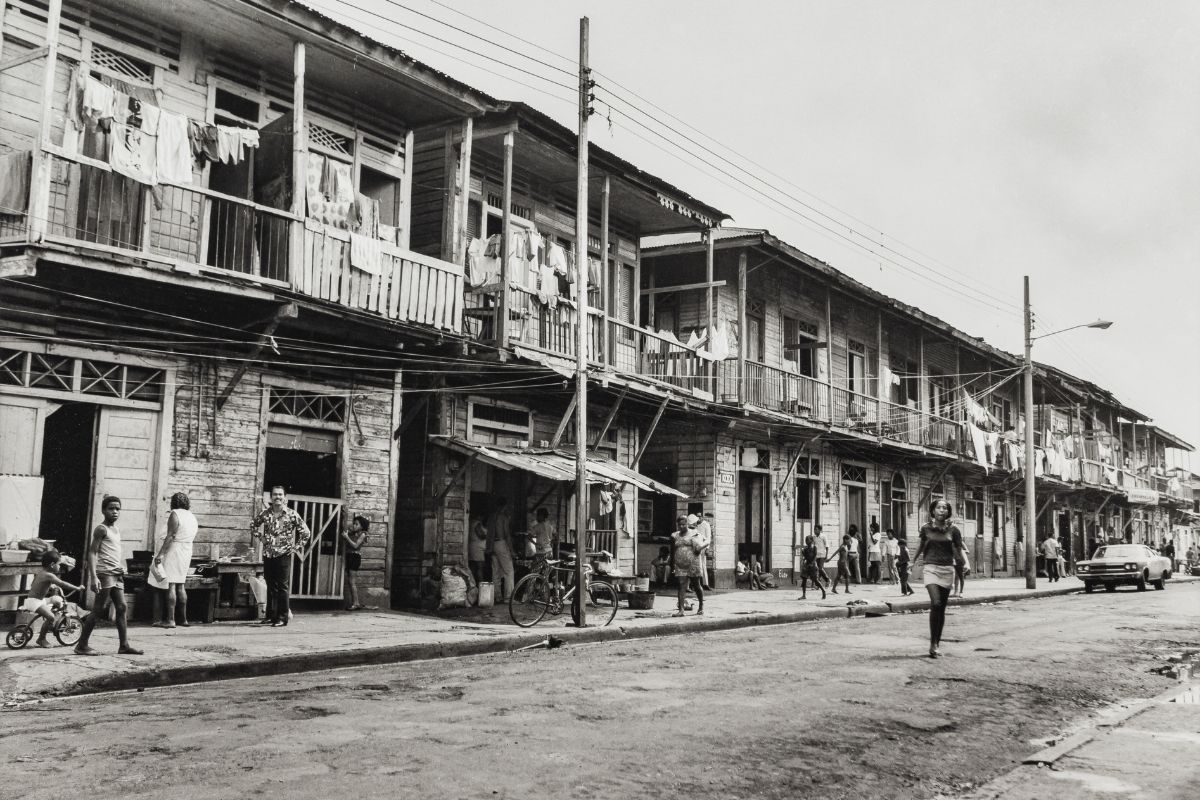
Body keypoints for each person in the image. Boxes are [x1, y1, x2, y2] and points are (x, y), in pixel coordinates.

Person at [74, 496, 143, 656]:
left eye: (117, 509)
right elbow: (92, 552)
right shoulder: (101, 529)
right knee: (98, 609)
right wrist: (93, 577)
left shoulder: (116, 530)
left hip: (116, 573)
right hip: (105, 573)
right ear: (103, 510)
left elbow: (112, 551)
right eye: (111, 508)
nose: (115, 512)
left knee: (122, 607)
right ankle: (81, 645)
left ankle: (124, 645)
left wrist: (121, 567)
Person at [250, 485, 312, 628]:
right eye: (275, 494)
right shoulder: (265, 514)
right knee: (271, 585)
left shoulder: (291, 514)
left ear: (285, 497)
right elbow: (253, 525)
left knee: (282, 586)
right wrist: (261, 537)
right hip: (268, 554)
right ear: (271, 497)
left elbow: (306, 532)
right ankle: (271, 616)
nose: (277, 497)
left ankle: (282, 618)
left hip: (284, 554)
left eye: (280, 494)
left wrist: (296, 547)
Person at [913, 499, 966, 659]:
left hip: (947, 569)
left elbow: (959, 549)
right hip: (930, 568)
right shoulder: (926, 528)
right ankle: (932, 643)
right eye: (939, 507)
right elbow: (921, 546)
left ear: (948, 512)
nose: (942, 510)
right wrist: (912, 561)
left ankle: (936, 643)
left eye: (945, 508)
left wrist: (965, 563)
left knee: (941, 608)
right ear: (933, 510)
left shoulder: (954, 530)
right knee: (935, 603)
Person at [153, 492, 197, 628]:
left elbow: (171, 536)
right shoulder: (192, 516)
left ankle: (170, 620)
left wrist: (160, 554)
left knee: (171, 584)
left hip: (175, 549)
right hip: (187, 549)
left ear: (173, 503)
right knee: (180, 584)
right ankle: (183, 619)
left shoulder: (175, 514)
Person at [23, 550, 82, 648]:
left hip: (36, 600)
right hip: (34, 602)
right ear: (52, 564)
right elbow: (62, 583)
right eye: (59, 564)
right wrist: (77, 588)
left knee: (56, 599)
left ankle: (51, 623)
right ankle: (41, 639)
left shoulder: (42, 573)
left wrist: (50, 586)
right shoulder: (49, 575)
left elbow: (34, 584)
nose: (59, 567)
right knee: (51, 617)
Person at [671, 515, 704, 616]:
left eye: (684, 524)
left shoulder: (694, 534)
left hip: (693, 563)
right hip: (680, 565)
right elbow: (674, 549)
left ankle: (701, 606)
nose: (681, 526)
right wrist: (673, 562)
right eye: (679, 524)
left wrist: (699, 549)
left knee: (696, 585)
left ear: (687, 524)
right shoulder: (675, 535)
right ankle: (681, 610)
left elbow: (700, 546)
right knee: (681, 585)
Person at [487, 497, 514, 602]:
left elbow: (489, 533)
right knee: (509, 571)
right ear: (504, 506)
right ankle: (508, 597)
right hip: (501, 543)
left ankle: (497, 596)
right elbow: (507, 535)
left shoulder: (491, 517)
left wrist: (489, 547)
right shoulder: (503, 517)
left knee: (496, 572)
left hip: (492, 544)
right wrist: (512, 550)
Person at [340, 514, 369, 611]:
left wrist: (347, 537)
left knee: (352, 581)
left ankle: (356, 603)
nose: (354, 525)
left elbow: (356, 546)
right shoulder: (354, 533)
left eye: (356, 524)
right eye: (354, 523)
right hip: (350, 556)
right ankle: (355, 602)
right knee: (350, 581)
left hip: (355, 557)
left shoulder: (363, 534)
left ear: (362, 526)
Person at [799, 535, 826, 600]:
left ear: (811, 541)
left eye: (808, 540)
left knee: (815, 580)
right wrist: (803, 559)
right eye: (806, 540)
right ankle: (804, 595)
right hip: (807, 565)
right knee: (804, 579)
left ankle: (823, 590)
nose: (806, 541)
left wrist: (812, 563)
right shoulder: (805, 549)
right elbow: (805, 557)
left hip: (813, 566)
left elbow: (815, 557)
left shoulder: (814, 548)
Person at [468, 516, 488, 585]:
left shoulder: (471, 522)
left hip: (473, 546)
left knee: (473, 567)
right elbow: (480, 535)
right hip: (478, 548)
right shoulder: (477, 523)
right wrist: (489, 535)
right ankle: (481, 586)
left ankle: (472, 584)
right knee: (480, 568)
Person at [812, 524, 830, 589]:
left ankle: (827, 580)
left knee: (820, 568)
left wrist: (827, 555)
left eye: (816, 529)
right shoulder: (814, 537)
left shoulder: (823, 536)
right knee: (817, 569)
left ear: (820, 530)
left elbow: (827, 546)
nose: (815, 530)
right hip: (816, 555)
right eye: (814, 529)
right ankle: (818, 585)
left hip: (822, 554)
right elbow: (813, 545)